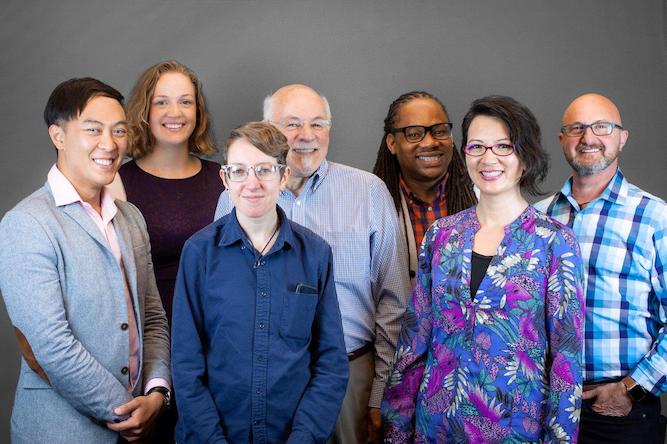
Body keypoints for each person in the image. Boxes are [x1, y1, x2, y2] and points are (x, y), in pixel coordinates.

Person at [215, 84, 411, 443]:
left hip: (352, 376)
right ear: (268, 129)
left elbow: (394, 302)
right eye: (292, 124)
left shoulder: (368, 192)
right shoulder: (236, 198)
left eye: (318, 124)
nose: (307, 136)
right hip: (263, 380)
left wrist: (380, 391)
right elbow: (225, 302)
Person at [383, 95, 585, 442]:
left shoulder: (554, 242)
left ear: (526, 156)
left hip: (514, 430)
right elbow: (413, 345)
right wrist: (396, 430)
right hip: (435, 428)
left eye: (503, 146)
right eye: (477, 146)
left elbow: (567, 363)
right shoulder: (442, 236)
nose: (488, 158)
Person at [0, 78, 170, 443]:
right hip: (61, 431)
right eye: (93, 130)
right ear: (58, 136)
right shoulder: (26, 224)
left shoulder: (131, 217)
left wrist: (157, 393)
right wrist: (126, 412)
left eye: (119, 131)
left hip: (142, 423)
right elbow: (50, 345)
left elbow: (152, 316)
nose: (110, 144)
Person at [172, 121, 348, 443]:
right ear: (225, 178)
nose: (251, 183)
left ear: (283, 176)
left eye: (264, 170)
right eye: (239, 171)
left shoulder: (315, 254)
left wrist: (303, 438)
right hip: (212, 435)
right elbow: (185, 364)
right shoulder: (199, 252)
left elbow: (331, 364)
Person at [535, 93, 667, 443]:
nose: (588, 137)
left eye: (602, 127)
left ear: (622, 137)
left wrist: (632, 390)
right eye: (576, 128)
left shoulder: (655, 218)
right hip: (543, 405)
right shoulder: (536, 218)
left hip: (619, 414)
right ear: (562, 140)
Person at [109, 60, 224, 327]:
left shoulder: (224, 179)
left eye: (186, 102)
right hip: (151, 338)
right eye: (162, 102)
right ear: (145, 111)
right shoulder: (117, 184)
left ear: (198, 111)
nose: (175, 112)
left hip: (219, 337)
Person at [373, 91, 477, 279]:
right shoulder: (370, 206)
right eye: (414, 134)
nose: (430, 142)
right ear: (392, 143)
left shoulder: (480, 198)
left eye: (440, 131)